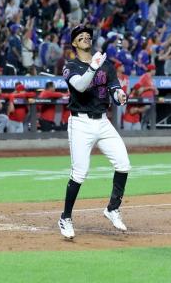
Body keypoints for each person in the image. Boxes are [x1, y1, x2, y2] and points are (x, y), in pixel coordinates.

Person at [58, 25, 130, 239]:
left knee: (123, 164)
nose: (86, 39)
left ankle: (112, 208)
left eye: (88, 36)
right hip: (80, 123)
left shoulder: (105, 64)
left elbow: (114, 88)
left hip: (103, 121)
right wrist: (92, 68)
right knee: (80, 173)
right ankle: (65, 217)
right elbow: (79, 87)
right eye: (81, 37)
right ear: (74, 43)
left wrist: (120, 96)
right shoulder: (70, 65)